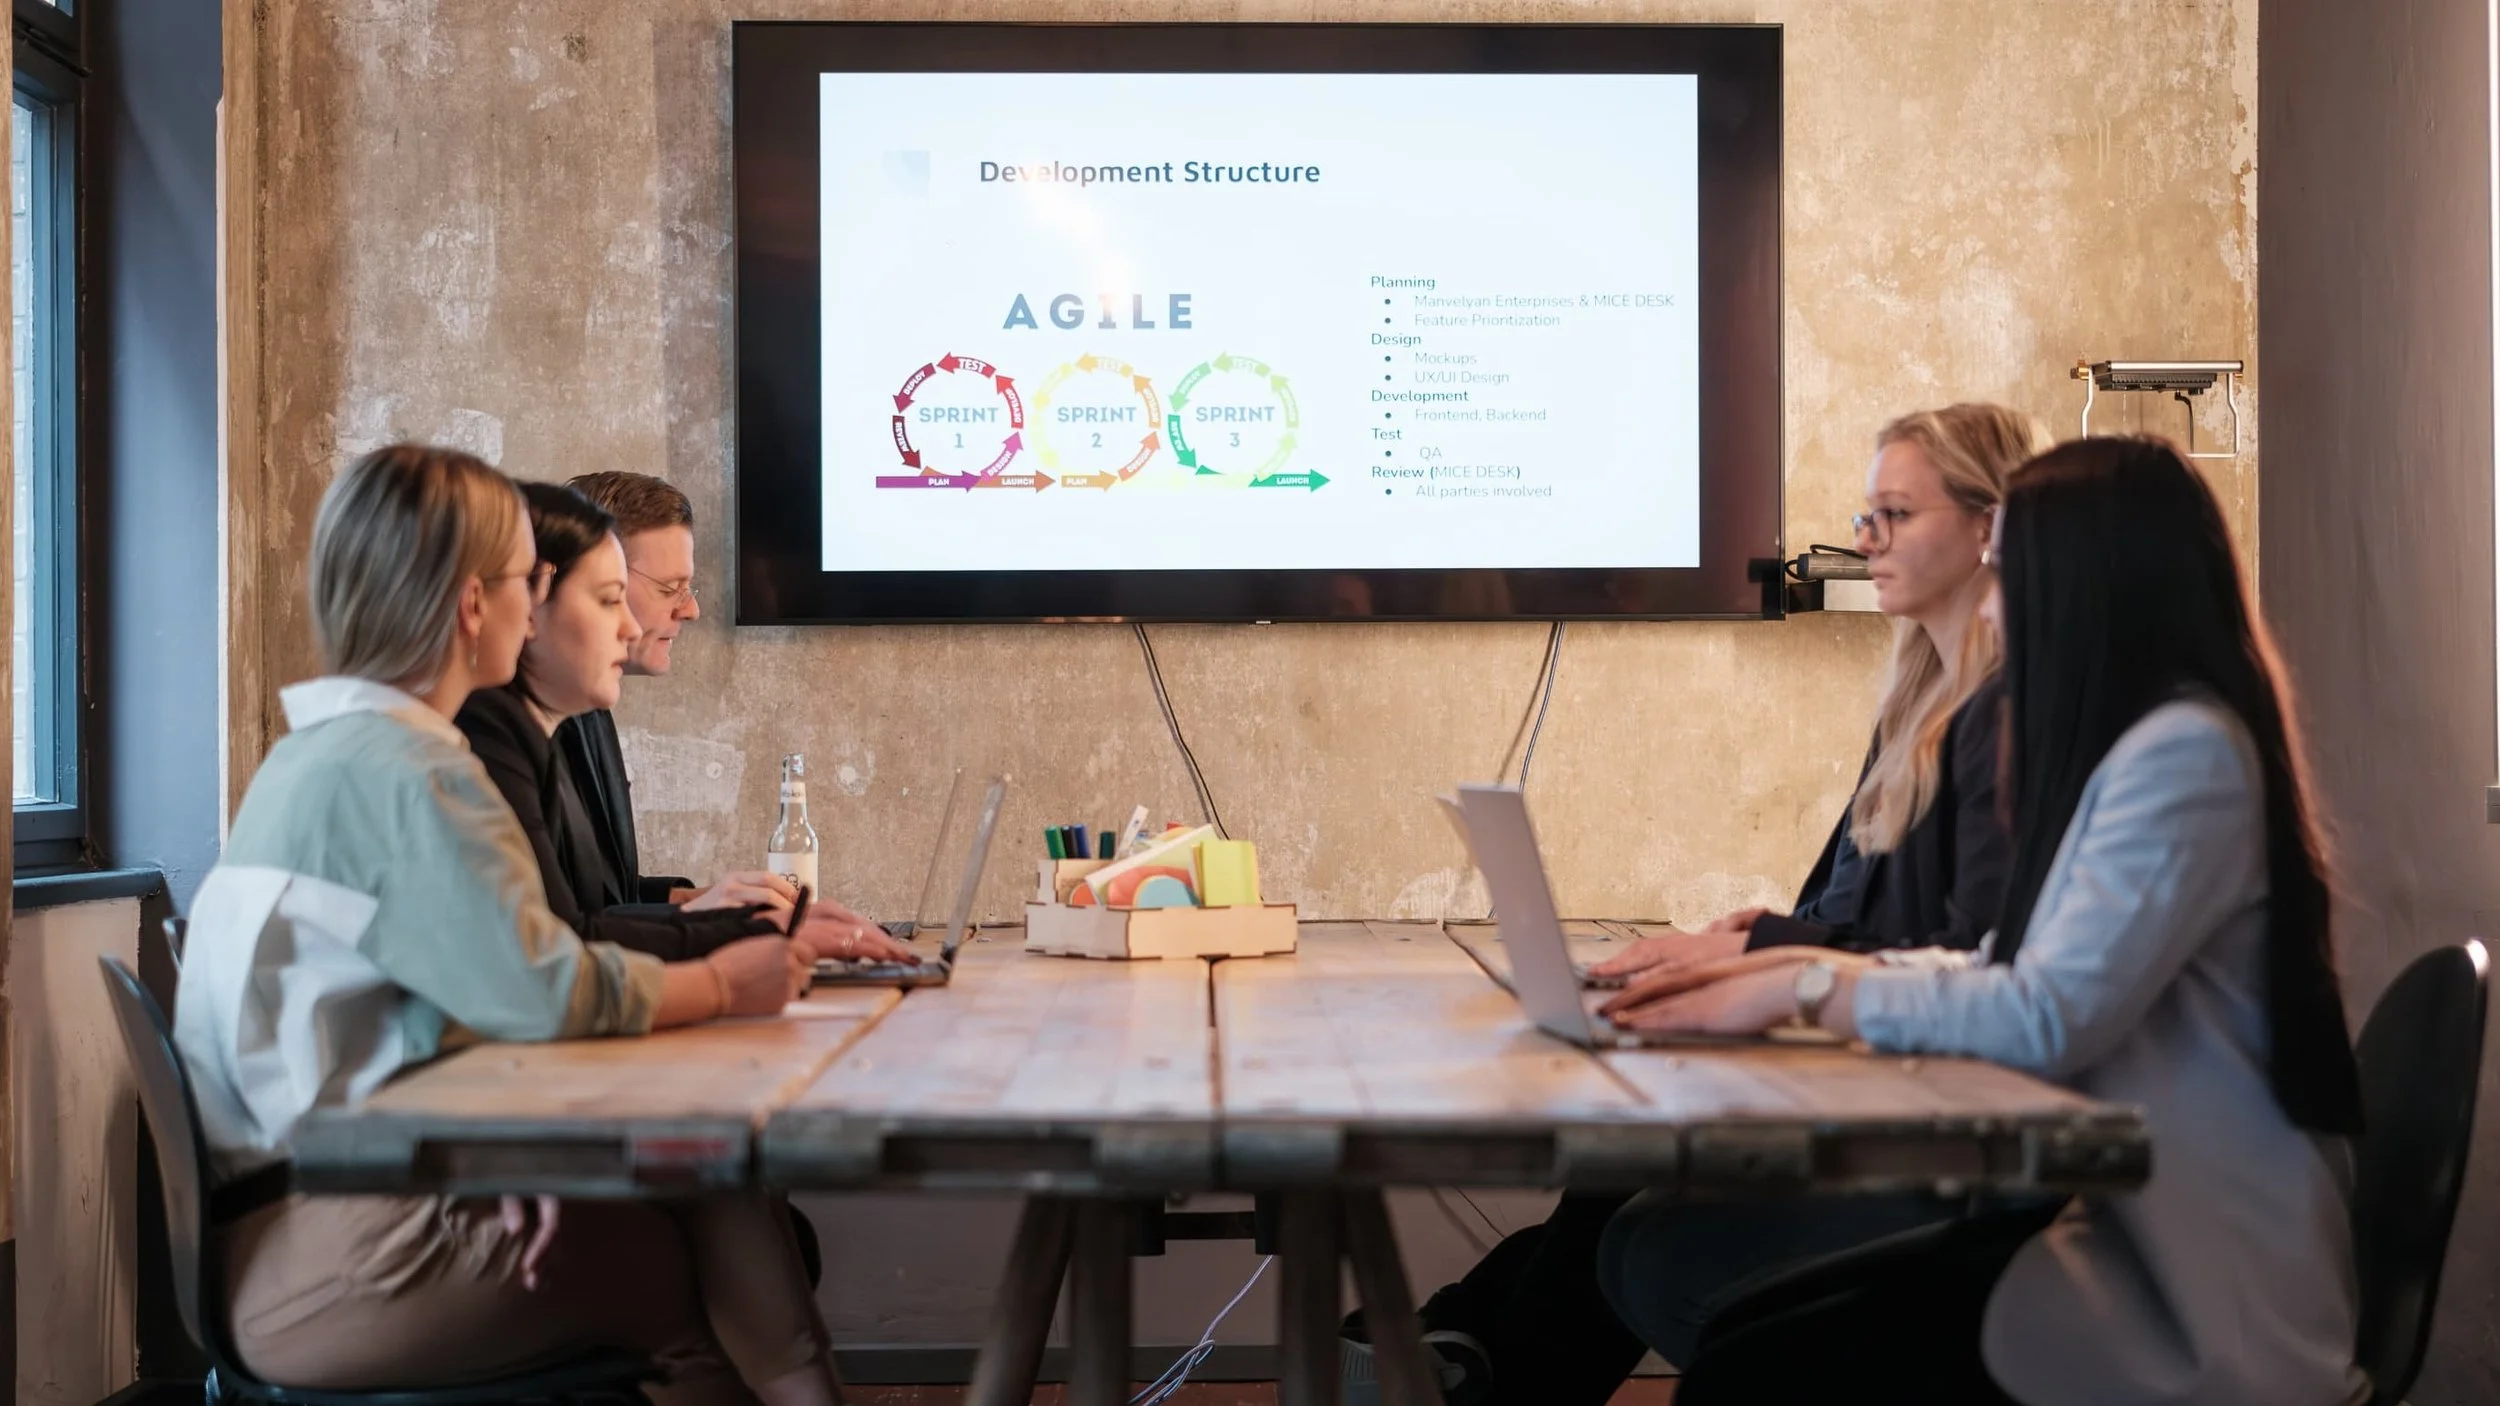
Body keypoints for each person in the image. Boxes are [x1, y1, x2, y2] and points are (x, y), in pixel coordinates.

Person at [1600, 435, 2368, 1406]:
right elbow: (2004, 964)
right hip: (2114, 1221)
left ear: (2085, 584)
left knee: (1726, 1337)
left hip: (2189, 1274)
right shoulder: (2153, 741)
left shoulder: (2185, 757)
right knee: (1679, 1277)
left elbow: (2047, 1015)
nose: (1993, 608)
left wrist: (1807, 985)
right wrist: (1776, 975)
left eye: (2009, 573)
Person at [1342, 403, 2047, 1406]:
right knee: (1612, 1174)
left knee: (1625, 1204)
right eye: (1866, 515)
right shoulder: (1918, 702)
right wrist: (1749, 941)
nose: (1866, 540)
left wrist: (1759, 960)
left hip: (1919, 1112)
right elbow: (1869, 922)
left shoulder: (2008, 716)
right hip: (1867, 1068)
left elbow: (1964, 953)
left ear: (1988, 527)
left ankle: (1453, 1353)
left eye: (1894, 514)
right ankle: (1453, 1348)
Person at [174, 444, 847, 1406]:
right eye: (527, 581)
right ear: (472, 605)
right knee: (682, 1257)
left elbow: (448, 1000)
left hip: (293, 1229)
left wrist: (507, 1151)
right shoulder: (412, 775)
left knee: (704, 1200)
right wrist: (724, 983)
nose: (537, 608)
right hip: (332, 1264)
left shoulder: (322, 757)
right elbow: (545, 989)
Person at [455, 481, 914, 967]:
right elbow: (560, 946)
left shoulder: (577, 709)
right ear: (533, 597)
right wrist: (739, 935)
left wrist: (704, 904)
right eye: (613, 597)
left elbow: (593, 901)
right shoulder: (486, 729)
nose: (689, 609)